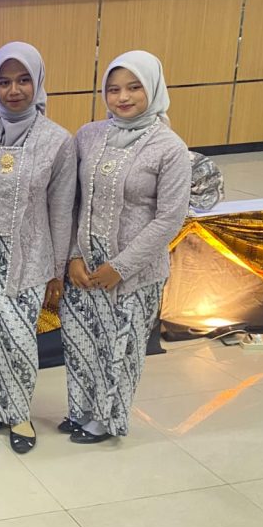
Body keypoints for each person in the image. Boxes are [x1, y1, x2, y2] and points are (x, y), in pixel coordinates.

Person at [0, 42, 76, 454]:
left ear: (37, 82)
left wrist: (57, 269)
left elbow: (61, 209)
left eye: (23, 80)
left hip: (29, 256)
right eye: (4, 82)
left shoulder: (58, 141)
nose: (14, 90)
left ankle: (19, 413)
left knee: (19, 339)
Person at [60, 51, 190, 443]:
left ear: (153, 88)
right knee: (81, 342)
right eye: (114, 89)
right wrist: (74, 255)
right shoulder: (88, 135)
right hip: (85, 268)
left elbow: (169, 218)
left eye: (134, 88)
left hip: (135, 272)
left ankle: (106, 421)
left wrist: (121, 266)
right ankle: (81, 412)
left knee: (121, 347)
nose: (123, 97)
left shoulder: (169, 148)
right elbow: (73, 201)